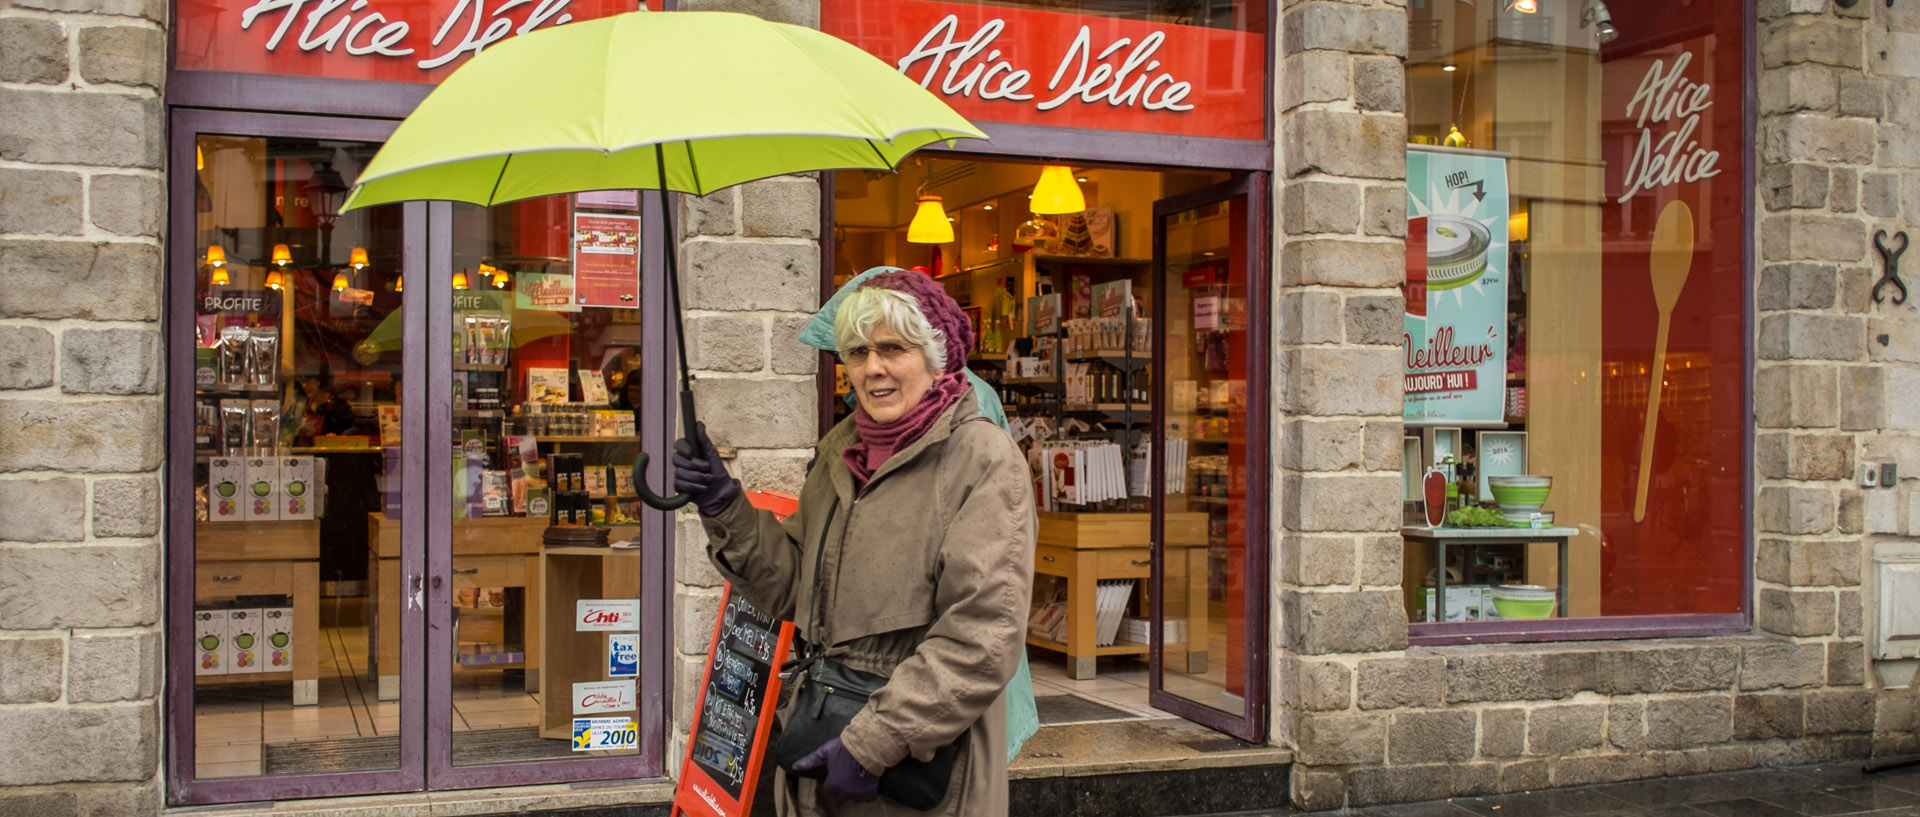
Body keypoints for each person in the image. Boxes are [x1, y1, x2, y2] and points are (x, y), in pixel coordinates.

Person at [674, 270, 1037, 816]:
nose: (873, 368)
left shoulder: (982, 459)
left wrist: (870, 746)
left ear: (935, 356)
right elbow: (796, 585)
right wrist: (724, 505)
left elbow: (982, 635)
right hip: (824, 742)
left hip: (919, 772)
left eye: (893, 348)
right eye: (857, 351)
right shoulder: (841, 451)